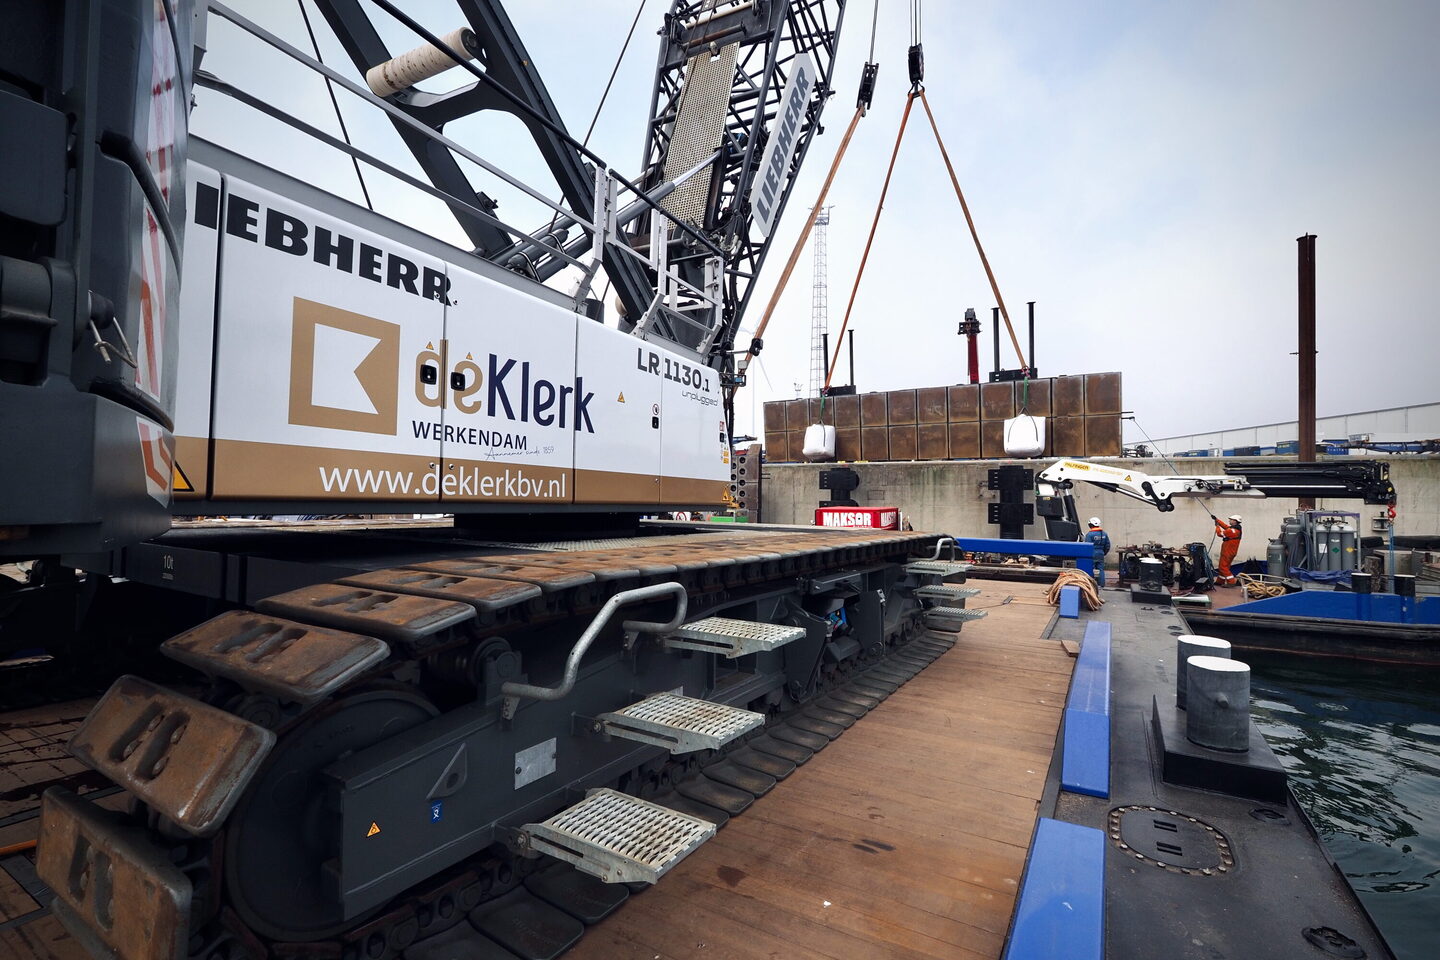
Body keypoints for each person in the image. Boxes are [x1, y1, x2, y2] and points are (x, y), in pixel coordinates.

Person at [1214, 514, 1243, 586]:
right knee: (1225, 567)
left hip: (1227, 552)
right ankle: (1220, 581)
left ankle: (1231, 582)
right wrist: (1217, 520)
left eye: (1231, 520)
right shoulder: (1235, 529)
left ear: (1235, 521)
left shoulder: (1232, 531)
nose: (1229, 521)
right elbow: (1226, 527)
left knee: (1223, 567)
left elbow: (1219, 534)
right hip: (1230, 551)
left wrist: (1217, 526)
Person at [1083, 517, 1111, 586]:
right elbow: (1108, 545)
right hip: (1101, 553)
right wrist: (1103, 553)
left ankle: (1090, 585)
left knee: (1090, 569)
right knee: (1101, 570)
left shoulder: (1089, 535)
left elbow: (1087, 546)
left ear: (1091, 525)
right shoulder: (1104, 534)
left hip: (1092, 554)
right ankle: (1102, 585)